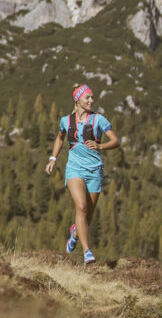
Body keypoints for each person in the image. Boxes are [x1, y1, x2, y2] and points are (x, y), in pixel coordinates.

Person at [45, 84, 119, 265]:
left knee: (87, 217)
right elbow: (60, 137)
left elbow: (116, 141)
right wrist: (53, 158)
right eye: (88, 98)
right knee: (81, 207)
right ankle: (87, 251)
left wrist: (100, 146)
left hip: (95, 170)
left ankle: (75, 233)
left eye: (92, 98)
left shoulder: (99, 119)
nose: (91, 101)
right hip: (74, 169)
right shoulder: (66, 121)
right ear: (78, 100)